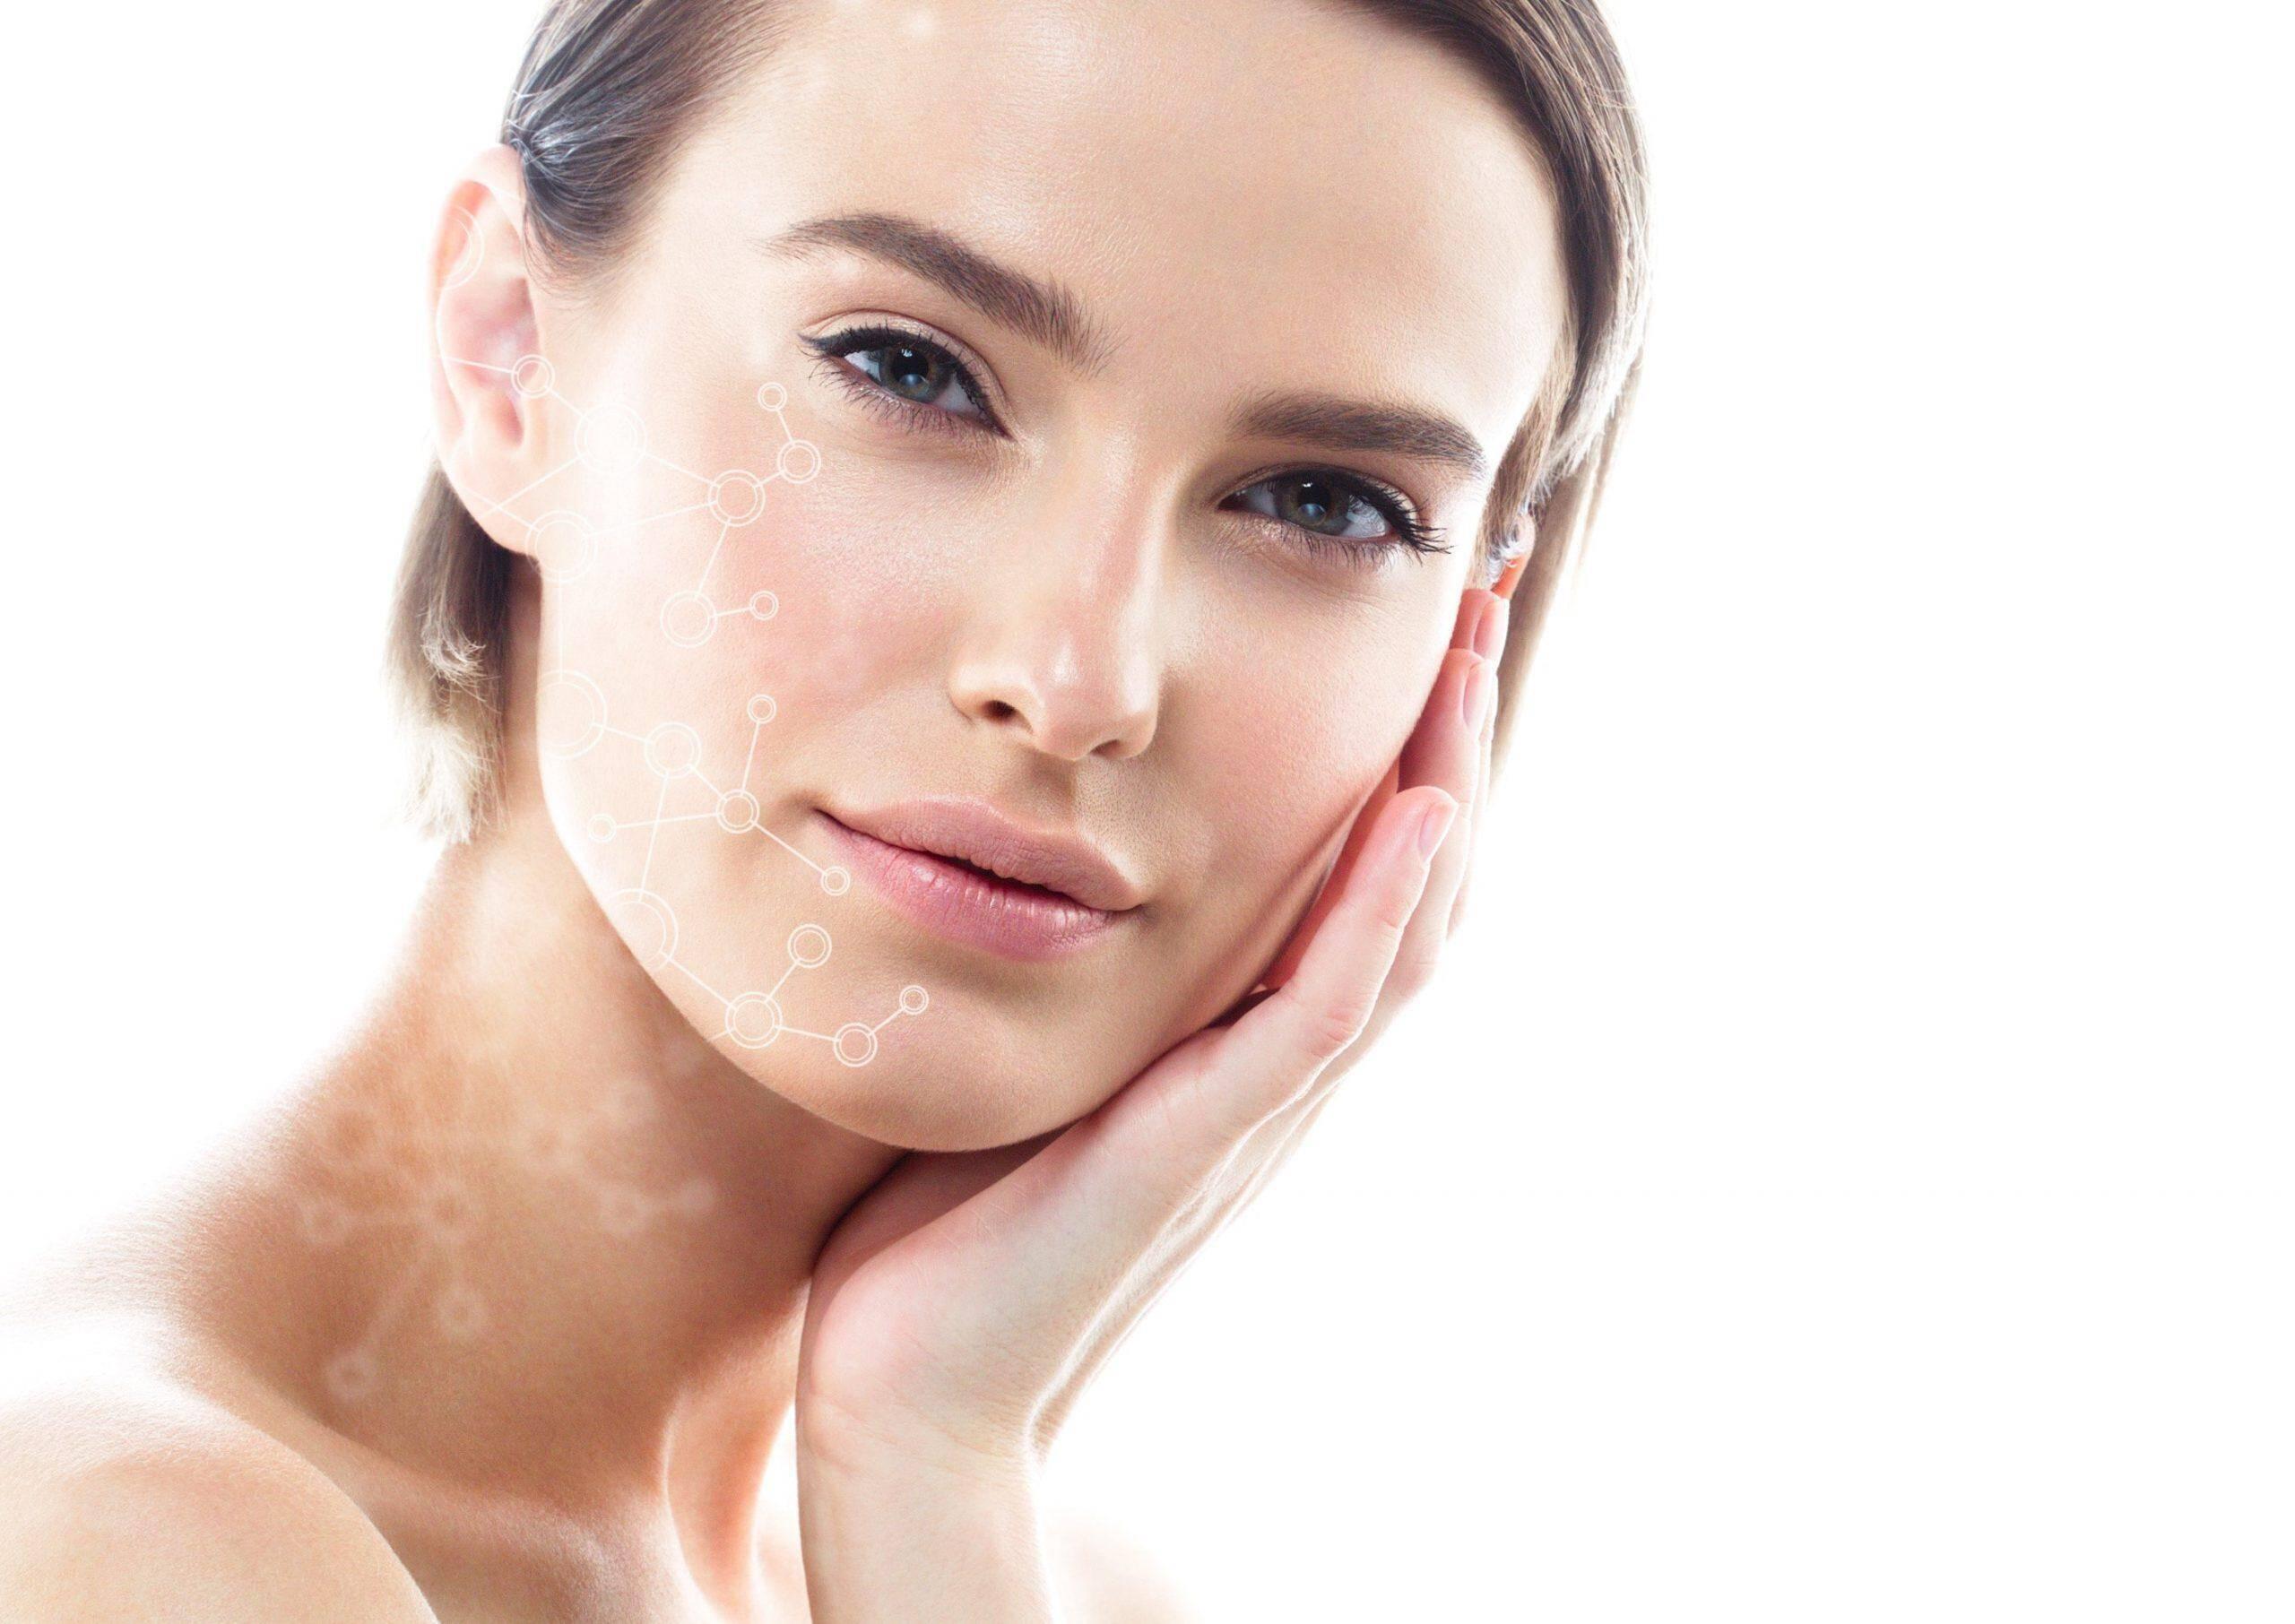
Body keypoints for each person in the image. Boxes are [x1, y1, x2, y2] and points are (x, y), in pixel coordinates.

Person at [0, 0, 1649, 1616]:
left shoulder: (1038, 1569)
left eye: (1322, 503)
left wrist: (926, 1468)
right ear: (509, 350)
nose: (1079, 682)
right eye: (913, 370)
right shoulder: (123, 1546)